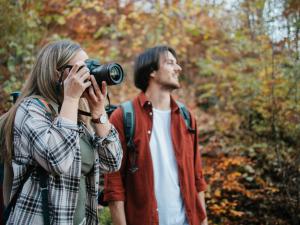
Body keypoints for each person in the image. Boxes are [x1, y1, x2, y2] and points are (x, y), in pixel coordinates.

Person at [0, 40, 123, 225]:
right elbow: (57, 161)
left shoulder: (78, 114)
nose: (88, 76)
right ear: (55, 73)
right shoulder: (30, 109)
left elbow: (113, 162)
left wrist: (98, 113)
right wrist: (72, 98)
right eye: (81, 69)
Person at [104, 46, 208, 225]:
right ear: (151, 71)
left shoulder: (187, 117)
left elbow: (197, 178)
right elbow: (114, 184)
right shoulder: (124, 117)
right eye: (170, 63)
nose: (178, 68)